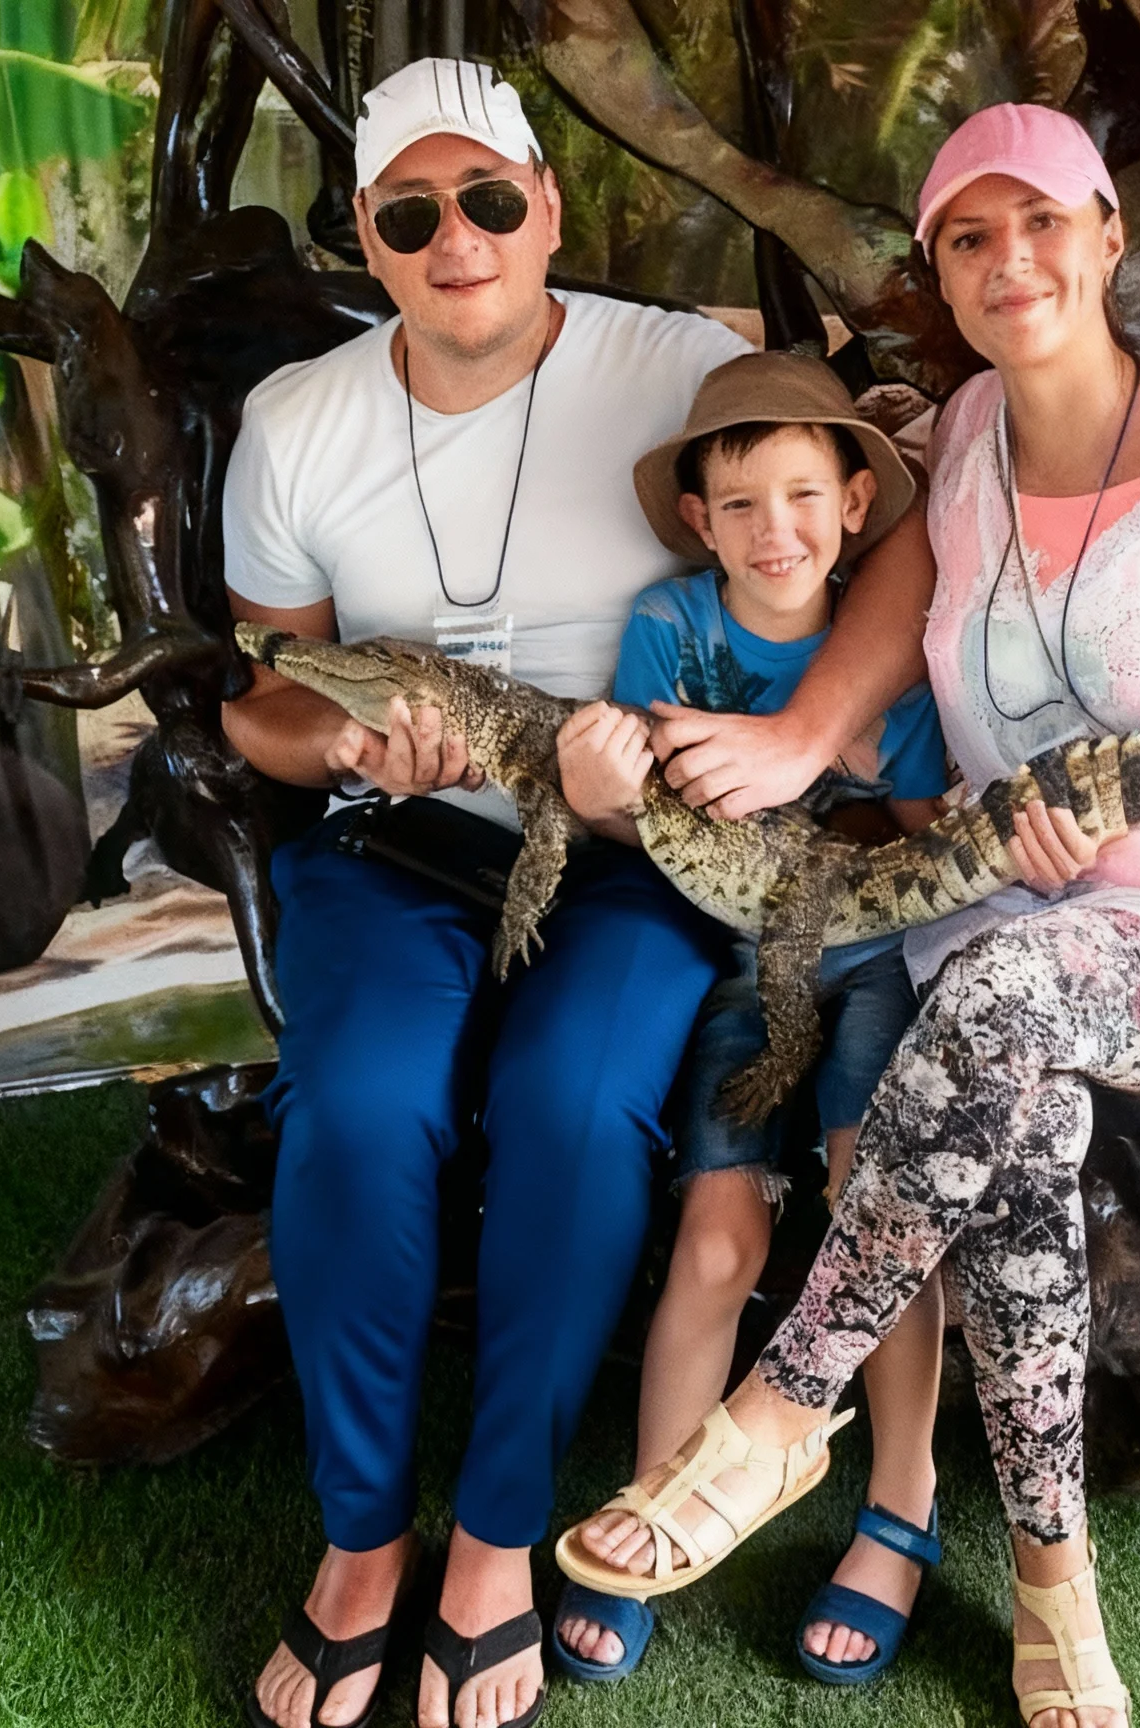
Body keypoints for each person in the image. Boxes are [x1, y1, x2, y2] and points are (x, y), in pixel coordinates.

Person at [559, 103, 1140, 1728]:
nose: (1012, 262)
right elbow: (898, 594)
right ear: (939, 267)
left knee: (1003, 1006)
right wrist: (801, 740)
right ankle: (1056, 1587)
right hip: (1002, 907)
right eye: (970, 238)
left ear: (1108, 236)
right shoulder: (966, 438)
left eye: (1043, 221)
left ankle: (784, 1406)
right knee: (1014, 1138)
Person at [218, 56, 754, 1728]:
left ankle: (499, 1532)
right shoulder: (296, 423)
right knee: (361, 1105)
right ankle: (363, 1536)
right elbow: (260, 695)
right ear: (366, 237)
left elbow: (874, 552)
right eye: (411, 215)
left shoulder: (685, 370)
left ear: (549, 207)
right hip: (398, 847)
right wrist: (342, 746)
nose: (458, 239)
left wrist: (800, 738)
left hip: (630, 847)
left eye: (491, 199)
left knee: (575, 1107)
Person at [548, 353, 952, 1686]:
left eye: (802, 495)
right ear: (699, 522)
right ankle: (661, 1493)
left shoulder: (885, 657)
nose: (774, 529)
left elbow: (924, 833)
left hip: (874, 957)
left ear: (852, 506)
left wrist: (862, 755)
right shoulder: (669, 629)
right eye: (739, 503)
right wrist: (598, 794)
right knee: (717, 1232)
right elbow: (640, 817)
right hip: (740, 964)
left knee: (873, 1203)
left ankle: (901, 1500)